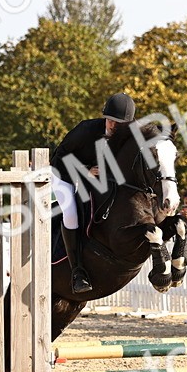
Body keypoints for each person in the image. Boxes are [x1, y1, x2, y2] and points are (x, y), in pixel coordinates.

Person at [51, 92, 135, 293]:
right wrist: (85, 171)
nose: (113, 126)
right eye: (111, 121)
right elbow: (59, 158)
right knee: (71, 214)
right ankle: (77, 271)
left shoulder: (130, 135)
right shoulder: (86, 130)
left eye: (119, 123)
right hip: (65, 174)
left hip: (98, 178)